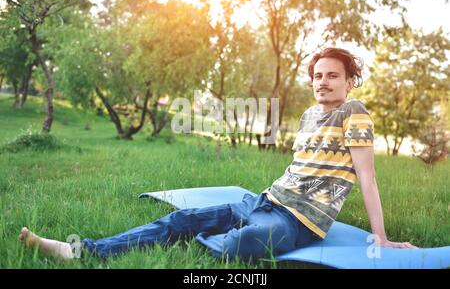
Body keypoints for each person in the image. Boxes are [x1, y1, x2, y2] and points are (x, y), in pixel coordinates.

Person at [18, 47, 418, 263]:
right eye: (318, 75)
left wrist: (380, 237)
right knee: (181, 217)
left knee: (234, 248)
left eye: (333, 75)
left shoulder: (354, 112)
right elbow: (299, 167)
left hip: (301, 222)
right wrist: (263, 198)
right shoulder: (310, 114)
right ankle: (78, 251)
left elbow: (367, 177)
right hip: (265, 200)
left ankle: (189, 237)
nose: (323, 82)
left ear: (350, 81)